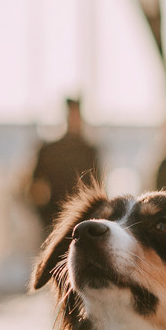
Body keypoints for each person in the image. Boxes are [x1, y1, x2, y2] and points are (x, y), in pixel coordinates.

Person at [28, 99, 100, 235]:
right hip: (55, 220)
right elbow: (36, 188)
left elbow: (96, 188)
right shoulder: (49, 151)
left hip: (81, 219)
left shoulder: (89, 151)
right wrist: (43, 215)